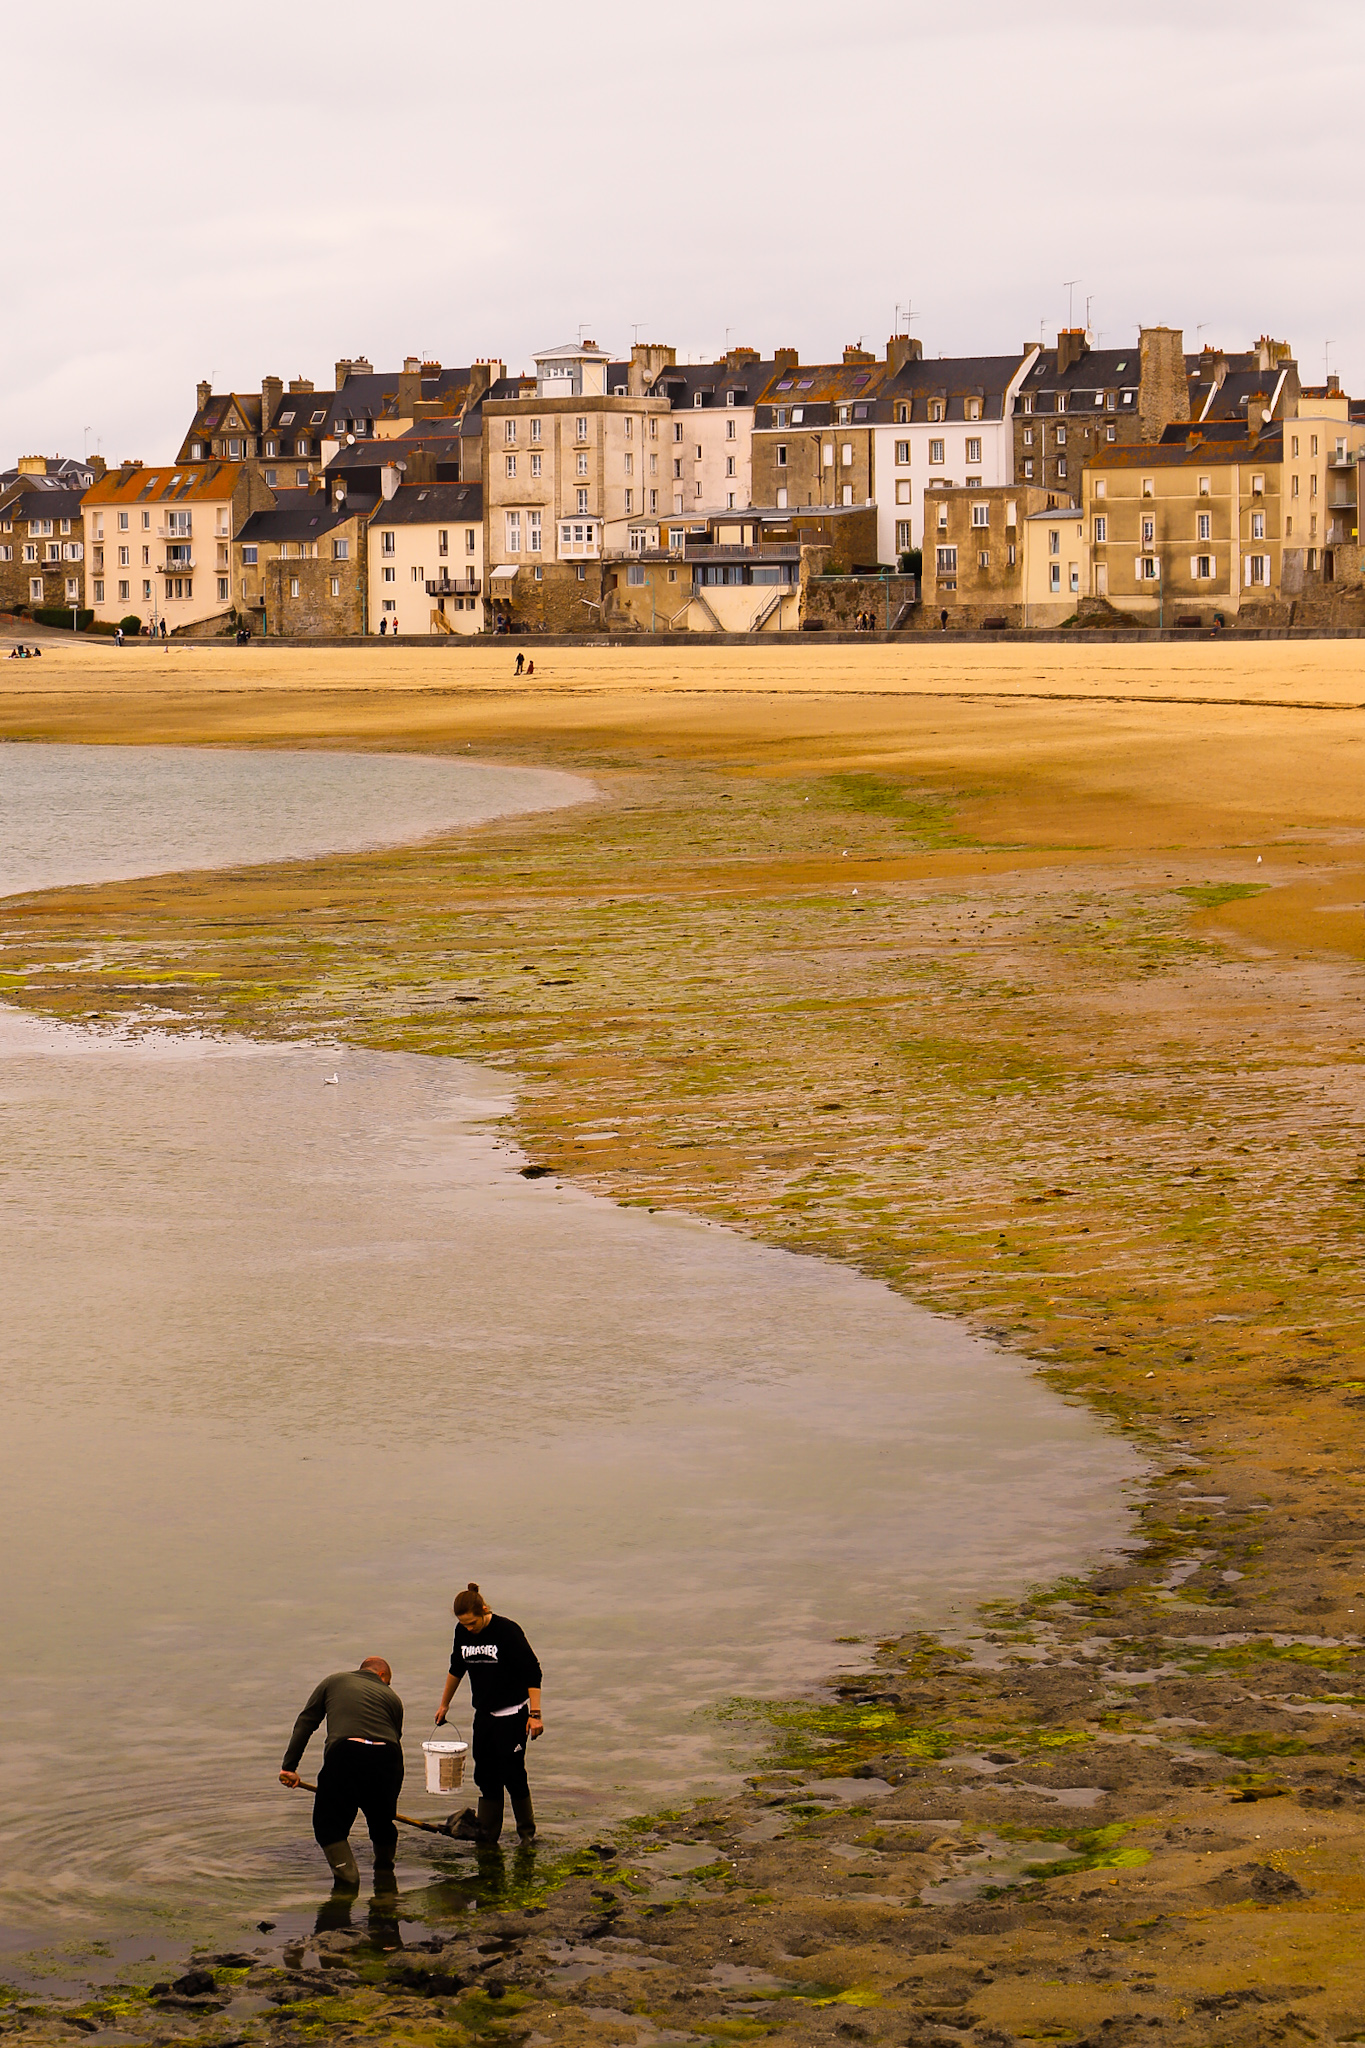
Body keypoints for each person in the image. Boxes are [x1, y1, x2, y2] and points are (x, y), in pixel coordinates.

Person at [279, 1656, 404, 1890]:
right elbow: (394, 1739)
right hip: (388, 1757)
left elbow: (306, 1722)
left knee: (328, 1825)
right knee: (382, 1820)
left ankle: (348, 1882)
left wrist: (290, 1767)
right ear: (382, 1676)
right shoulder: (393, 1698)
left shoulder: (334, 1681)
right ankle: (385, 1871)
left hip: (346, 1753)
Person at [434, 1583, 542, 1845]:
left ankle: (527, 1836)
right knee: (485, 1775)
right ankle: (488, 1837)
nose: (469, 1628)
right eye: (465, 1624)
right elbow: (456, 1668)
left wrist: (535, 1714)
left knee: (514, 1775)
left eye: (472, 1623)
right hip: (484, 1716)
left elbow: (533, 1671)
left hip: (513, 1715)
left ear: (484, 1610)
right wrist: (444, 1704)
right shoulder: (462, 1631)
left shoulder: (507, 1631)